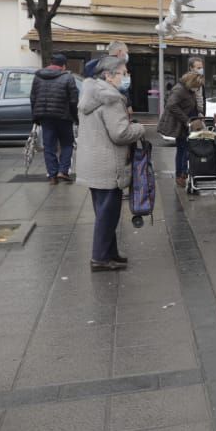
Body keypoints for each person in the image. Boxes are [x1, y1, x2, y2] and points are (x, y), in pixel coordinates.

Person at [76, 55, 146, 271]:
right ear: (108, 76)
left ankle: (110, 253)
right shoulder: (111, 99)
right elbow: (120, 134)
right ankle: (100, 258)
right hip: (108, 164)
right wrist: (140, 129)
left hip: (93, 162)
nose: (126, 77)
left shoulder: (91, 94)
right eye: (123, 73)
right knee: (108, 214)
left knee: (103, 211)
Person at [29, 52, 80, 184]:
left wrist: (36, 117)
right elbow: (73, 100)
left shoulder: (38, 76)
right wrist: (76, 117)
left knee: (49, 146)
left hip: (45, 117)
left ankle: (52, 175)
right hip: (64, 116)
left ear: (51, 64)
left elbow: (33, 98)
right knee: (67, 144)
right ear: (63, 66)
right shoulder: (68, 77)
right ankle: (63, 171)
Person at [160, 71, 204, 189]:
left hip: (187, 124)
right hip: (181, 125)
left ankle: (183, 173)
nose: (198, 88)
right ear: (191, 83)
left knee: (185, 149)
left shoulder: (189, 90)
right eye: (197, 86)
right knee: (182, 149)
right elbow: (171, 105)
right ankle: (180, 174)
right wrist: (187, 120)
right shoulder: (179, 90)